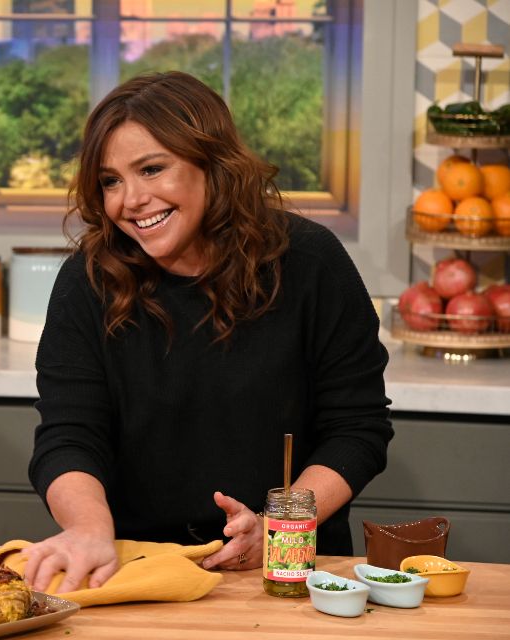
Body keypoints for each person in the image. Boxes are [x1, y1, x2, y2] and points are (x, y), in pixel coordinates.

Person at [23, 71, 393, 595]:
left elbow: (357, 429)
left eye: (152, 169)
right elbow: (67, 437)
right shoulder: (87, 281)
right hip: (137, 571)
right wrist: (88, 529)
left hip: (286, 570)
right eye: (111, 180)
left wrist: (280, 526)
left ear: (212, 163)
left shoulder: (311, 262)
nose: (131, 200)